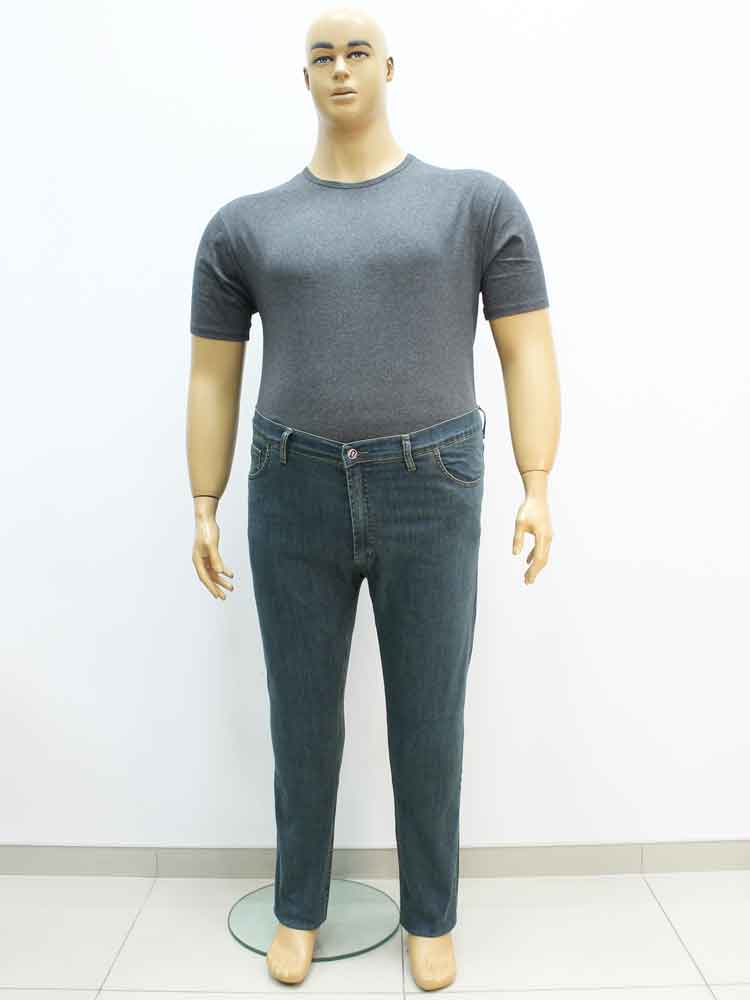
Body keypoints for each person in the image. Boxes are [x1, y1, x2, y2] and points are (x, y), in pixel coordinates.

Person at [186, 6, 560, 991]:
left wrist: (538, 483)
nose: (341, 69)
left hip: (431, 484)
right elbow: (214, 377)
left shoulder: (473, 205)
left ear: (391, 67)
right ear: (302, 76)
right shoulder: (244, 227)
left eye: (358, 52)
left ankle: (430, 914)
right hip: (291, 485)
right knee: (301, 716)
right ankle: (297, 907)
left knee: (429, 714)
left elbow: (526, 348)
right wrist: (203, 500)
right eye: (323, 55)